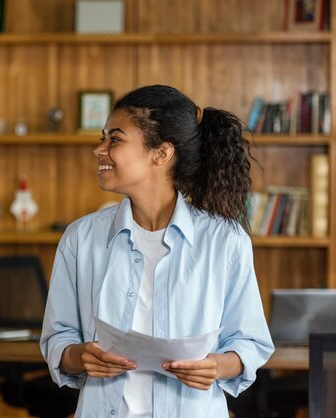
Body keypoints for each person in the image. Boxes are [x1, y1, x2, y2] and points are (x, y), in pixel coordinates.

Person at [40, 85, 274, 418]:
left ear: (161, 154)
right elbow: (58, 337)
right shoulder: (81, 237)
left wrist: (216, 366)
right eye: (102, 138)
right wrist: (79, 356)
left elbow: (249, 343)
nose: (99, 150)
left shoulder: (225, 241)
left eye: (115, 139)